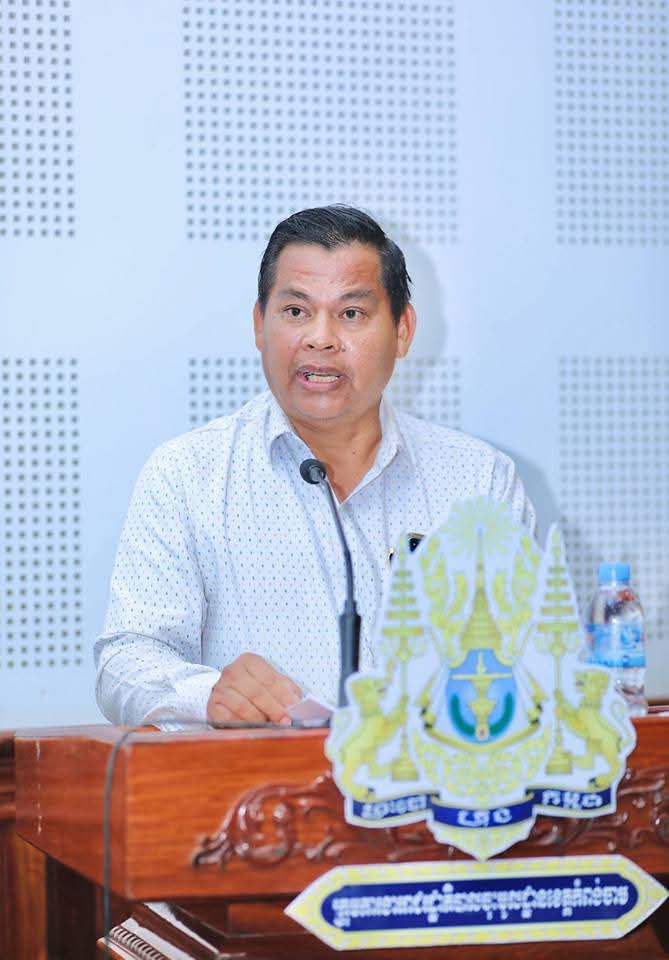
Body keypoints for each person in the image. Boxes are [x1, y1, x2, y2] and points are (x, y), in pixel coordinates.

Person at [95, 205, 536, 729]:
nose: (320, 338)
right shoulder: (188, 475)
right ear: (260, 325)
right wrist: (208, 694)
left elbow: (534, 658)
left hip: (434, 775)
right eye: (296, 311)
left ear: (402, 330)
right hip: (255, 779)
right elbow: (125, 661)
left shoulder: (479, 482)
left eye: (351, 314)